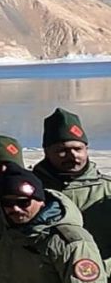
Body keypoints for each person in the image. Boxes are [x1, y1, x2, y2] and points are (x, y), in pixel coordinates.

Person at [0, 164, 110, 283]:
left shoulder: (69, 242)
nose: (15, 208)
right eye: (8, 202)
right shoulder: (3, 230)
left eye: (23, 202)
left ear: (41, 201)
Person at [31, 107, 111, 267]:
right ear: (46, 152)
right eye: (62, 150)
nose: (73, 156)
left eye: (78, 149)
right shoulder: (31, 192)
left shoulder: (106, 191)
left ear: (86, 150)